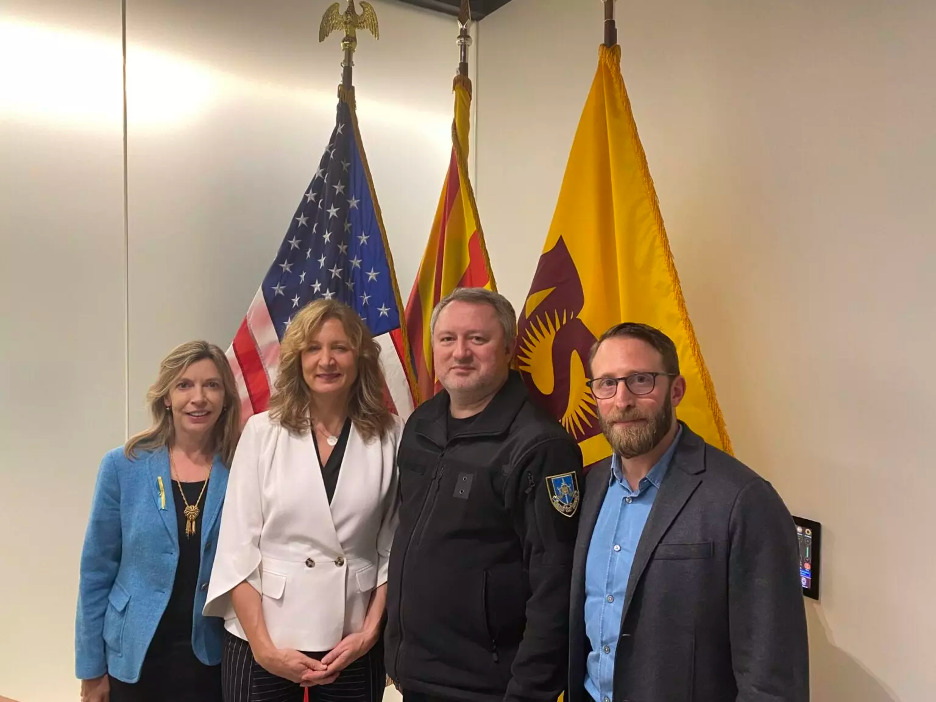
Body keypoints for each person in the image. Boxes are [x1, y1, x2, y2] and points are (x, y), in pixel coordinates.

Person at [568, 323, 809, 702]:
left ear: (675, 390)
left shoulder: (743, 499)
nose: (622, 399)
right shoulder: (591, 485)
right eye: (606, 384)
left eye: (641, 380)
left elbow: (771, 678)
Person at [385, 288, 583, 702]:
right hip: (416, 678)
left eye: (478, 339)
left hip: (488, 688)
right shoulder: (422, 424)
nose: (460, 353)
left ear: (509, 347)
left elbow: (556, 586)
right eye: (447, 339)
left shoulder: (539, 448)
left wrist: (530, 692)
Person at [205, 299, 402, 702]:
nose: (326, 360)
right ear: (297, 358)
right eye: (313, 348)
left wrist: (369, 633)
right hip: (262, 637)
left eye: (339, 347)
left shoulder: (391, 435)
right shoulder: (262, 432)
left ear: (359, 356)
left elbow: (392, 547)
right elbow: (237, 551)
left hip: (351, 640)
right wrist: (264, 649)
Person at [76, 341, 242, 702]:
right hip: (134, 655)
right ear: (166, 397)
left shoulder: (244, 467)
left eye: (211, 385)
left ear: (226, 396)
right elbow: (96, 572)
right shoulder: (123, 466)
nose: (198, 398)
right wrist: (91, 669)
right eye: (184, 385)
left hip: (211, 656)